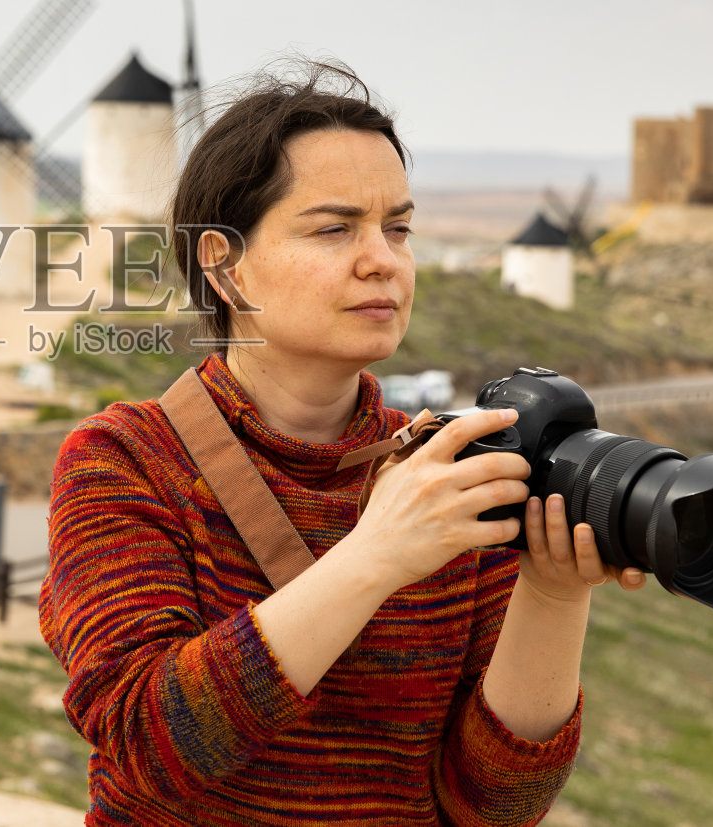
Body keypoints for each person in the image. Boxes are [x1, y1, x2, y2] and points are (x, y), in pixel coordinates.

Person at [37, 61, 646, 826]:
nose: (384, 260)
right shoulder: (125, 461)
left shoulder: (447, 471)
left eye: (398, 228)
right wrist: (375, 555)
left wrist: (555, 595)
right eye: (334, 229)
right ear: (223, 265)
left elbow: (491, 807)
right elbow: (148, 744)